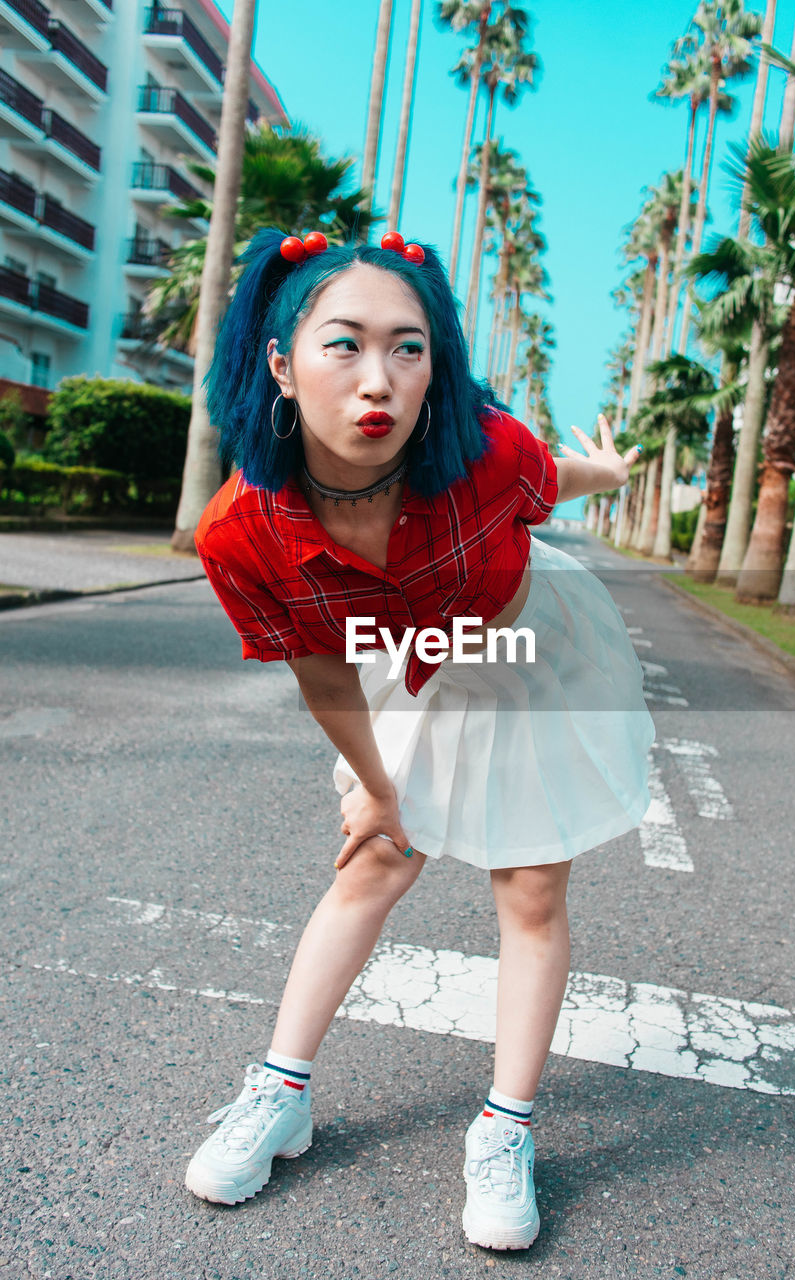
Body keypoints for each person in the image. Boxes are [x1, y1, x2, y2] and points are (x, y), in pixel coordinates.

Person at [184, 227, 655, 1252]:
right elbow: (319, 665)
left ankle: (505, 1125)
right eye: (343, 342)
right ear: (280, 360)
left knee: (530, 889)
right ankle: (281, 1090)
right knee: (371, 858)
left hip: (534, 651)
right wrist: (373, 784)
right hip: (408, 662)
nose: (380, 377)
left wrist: (609, 472)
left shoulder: (486, 454)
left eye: (409, 346)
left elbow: (550, 479)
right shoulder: (242, 529)